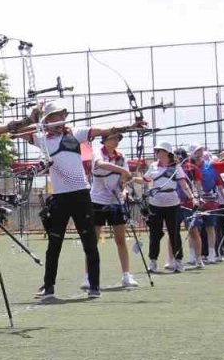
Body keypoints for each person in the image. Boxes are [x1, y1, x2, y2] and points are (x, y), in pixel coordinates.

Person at [27, 101, 143, 299]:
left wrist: (130, 126)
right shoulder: (41, 138)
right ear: (47, 119)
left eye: (61, 115)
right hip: (60, 198)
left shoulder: (75, 133)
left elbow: (103, 130)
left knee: (90, 241)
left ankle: (94, 286)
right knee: (54, 244)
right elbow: (17, 132)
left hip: (81, 194)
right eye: (55, 116)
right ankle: (49, 286)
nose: (60, 119)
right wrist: (36, 116)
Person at [86, 131, 138, 288]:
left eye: (118, 139)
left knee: (120, 240)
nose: (116, 141)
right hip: (97, 201)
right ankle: (88, 277)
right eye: (113, 138)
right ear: (105, 140)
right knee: (92, 241)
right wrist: (122, 170)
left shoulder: (122, 157)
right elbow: (100, 164)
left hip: (115, 202)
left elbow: (125, 179)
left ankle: (126, 276)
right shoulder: (97, 153)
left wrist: (124, 189)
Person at [141, 142, 188, 273]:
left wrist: (193, 198)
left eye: (159, 151)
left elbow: (183, 185)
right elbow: (146, 179)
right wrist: (132, 179)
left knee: (174, 233)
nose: (157, 153)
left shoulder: (176, 167)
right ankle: (153, 262)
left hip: (172, 204)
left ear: (167, 152)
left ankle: (178, 261)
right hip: (155, 203)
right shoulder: (153, 166)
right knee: (154, 234)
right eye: (156, 151)